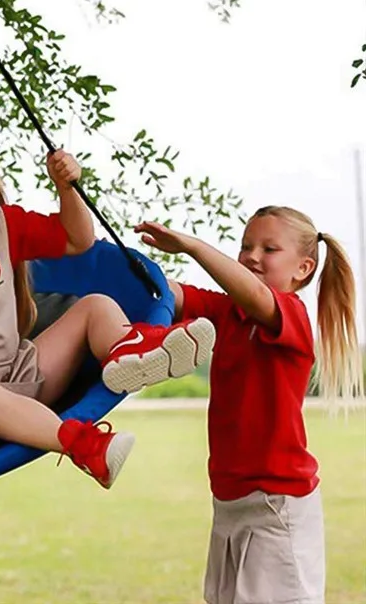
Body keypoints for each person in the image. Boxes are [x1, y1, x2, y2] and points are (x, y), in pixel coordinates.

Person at [0, 107, 215, 489]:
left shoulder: (1, 224)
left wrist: (67, 189)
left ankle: (132, 352)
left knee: (95, 305)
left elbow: (76, 239)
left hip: (12, 378)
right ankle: (82, 444)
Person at [132, 207, 363, 604]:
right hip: (229, 502)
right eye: (245, 246)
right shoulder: (228, 313)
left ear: (303, 269)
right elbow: (166, 291)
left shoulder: (289, 314)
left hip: (275, 506)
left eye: (269, 248)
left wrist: (190, 246)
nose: (252, 255)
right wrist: (112, 261)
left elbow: (256, 295)